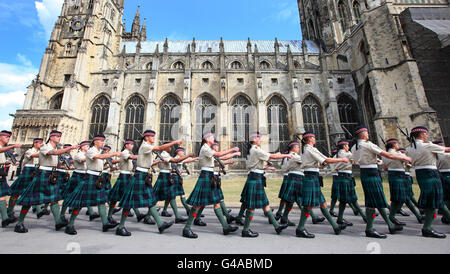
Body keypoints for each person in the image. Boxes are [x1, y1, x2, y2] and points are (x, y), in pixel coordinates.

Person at [115, 130, 179, 236]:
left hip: (144, 176)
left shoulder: (147, 147)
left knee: (150, 200)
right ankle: (120, 227)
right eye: (151, 137)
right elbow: (158, 148)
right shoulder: (145, 146)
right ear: (146, 138)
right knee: (129, 202)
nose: (153, 139)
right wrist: (174, 142)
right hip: (140, 175)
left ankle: (160, 224)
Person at [351, 126, 411, 239]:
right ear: (364, 134)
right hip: (372, 174)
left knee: (376, 200)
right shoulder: (368, 144)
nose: (368, 135)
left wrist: (372, 160)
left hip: (364, 173)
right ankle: (370, 228)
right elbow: (388, 154)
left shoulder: (354, 147)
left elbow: (355, 162)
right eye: (367, 133)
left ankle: (390, 224)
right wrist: (407, 158)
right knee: (372, 202)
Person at [14, 130, 77, 233]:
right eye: (56, 136)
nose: (58, 138)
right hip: (43, 174)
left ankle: (58, 222)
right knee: (30, 200)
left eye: (59, 136)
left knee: (54, 199)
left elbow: (56, 163)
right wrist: (69, 148)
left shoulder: (55, 148)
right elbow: (53, 153)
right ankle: (19, 223)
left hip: (52, 175)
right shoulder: (45, 147)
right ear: (51, 137)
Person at [182, 133, 240, 239]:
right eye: (212, 137)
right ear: (207, 139)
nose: (214, 138)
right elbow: (219, 155)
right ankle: (186, 228)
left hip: (210, 176)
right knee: (197, 205)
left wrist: (230, 158)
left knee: (217, 203)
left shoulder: (208, 148)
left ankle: (226, 227)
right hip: (206, 176)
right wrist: (232, 150)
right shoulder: (205, 148)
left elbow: (217, 160)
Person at [62, 134, 120, 235]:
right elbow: (100, 157)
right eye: (101, 141)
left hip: (98, 178)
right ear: (95, 141)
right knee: (79, 203)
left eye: (103, 141)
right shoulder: (91, 151)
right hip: (90, 178)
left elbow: (102, 160)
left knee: (102, 201)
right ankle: (70, 225)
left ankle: (105, 223)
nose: (103, 143)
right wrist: (113, 154)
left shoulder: (98, 151)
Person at [295, 132, 350, 238]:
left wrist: (319, 165)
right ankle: (300, 228)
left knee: (323, 203)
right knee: (308, 206)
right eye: (314, 137)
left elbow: (311, 163)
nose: (315, 139)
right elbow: (327, 159)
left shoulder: (305, 149)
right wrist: (342, 159)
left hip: (312, 176)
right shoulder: (310, 149)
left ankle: (335, 226)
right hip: (311, 178)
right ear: (310, 139)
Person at [237, 132, 291, 238]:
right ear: (254, 140)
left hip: (256, 178)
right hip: (255, 179)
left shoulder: (253, 150)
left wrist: (265, 168)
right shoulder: (256, 150)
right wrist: (286, 154)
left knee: (265, 204)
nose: (260, 140)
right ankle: (246, 230)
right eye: (258, 138)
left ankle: (277, 226)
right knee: (251, 206)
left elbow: (255, 165)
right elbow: (272, 156)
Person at [406, 127, 450, 238]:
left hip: (420, 174)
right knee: (433, 201)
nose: (427, 136)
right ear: (421, 135)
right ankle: (427, 228)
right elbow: (446, 150)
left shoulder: (409, 148)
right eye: (425, 134)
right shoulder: (427, 145)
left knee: (437, 200)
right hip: (431, 173)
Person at [383, 139, 424, 226]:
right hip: (400, 175)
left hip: (392, 175)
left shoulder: (384, 155)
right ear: (394, 145)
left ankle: (418, 215)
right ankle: (393, 215)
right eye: (397, 143)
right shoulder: (399, 154)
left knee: (402, 198)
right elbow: (410, 162)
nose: (398, 145)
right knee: (402, 198)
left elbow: (385, 168)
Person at [152, 142, 195, 224]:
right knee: (156, 197)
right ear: (165, 148)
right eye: (170, 147)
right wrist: (188, 155)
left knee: (171, 196)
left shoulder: (165, 154)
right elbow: (176, 160)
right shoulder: (164, 154)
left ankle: (177, 216)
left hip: (167, 176)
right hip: (164, 176)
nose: (171, 148)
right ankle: (148, 216)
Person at [107, 139, 146, 224]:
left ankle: (138, 214)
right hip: (123, 176)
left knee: (130, 196)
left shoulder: (129, 153)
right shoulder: (124, 153)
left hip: (128, 176)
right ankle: (109, 216)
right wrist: (143, 156)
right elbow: (131, 157)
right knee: (115, 198)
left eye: (133, 144)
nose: (132, 146)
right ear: (126, 145)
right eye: (131, 144)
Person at [333, 140, 367, 226]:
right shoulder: (347, 154)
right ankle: (364, 216)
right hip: (346, 177)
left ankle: (340, 218)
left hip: (341, 176)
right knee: (352, 199)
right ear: (344, 146)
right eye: (347, 145)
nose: (348, 147)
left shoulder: (337, 155)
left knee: (344, 200)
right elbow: (358, 159)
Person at [7, 138, 42, 221]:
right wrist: (45, 152)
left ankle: (38, 210)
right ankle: (9, 210)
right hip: (27, 173)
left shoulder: (40, 153)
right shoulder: (29, 151)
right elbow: (34, 155)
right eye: (40, 143)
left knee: (33, 192)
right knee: (16, 193)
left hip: (35, 172)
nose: (41, 145)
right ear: (35, 143)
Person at [59, 140, 90, 223]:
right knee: (68, 196)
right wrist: (94, 156)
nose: (89, 147)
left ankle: (73, 215)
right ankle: (62, 214)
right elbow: (83, 160)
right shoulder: (78, 155)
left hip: (85, 176)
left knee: (81, 198)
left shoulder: (87, 154)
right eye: (87, 146)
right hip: (78, 176)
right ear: (82, 147)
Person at [0, 130, 22, 228]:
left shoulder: (4, 148)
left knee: (2, 195)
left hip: (1, 171)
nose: (8, 139)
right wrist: (12, 146)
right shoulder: (3, 148)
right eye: (6, 137)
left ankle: (5, 218)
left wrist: (5, 163)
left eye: (9, 137)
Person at [433, 140, 450, 224]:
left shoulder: (434, 156)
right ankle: (445, 216)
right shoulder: (446, 155)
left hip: (439, 175)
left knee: (444, 196)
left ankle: (440, 214)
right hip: (447, 175)